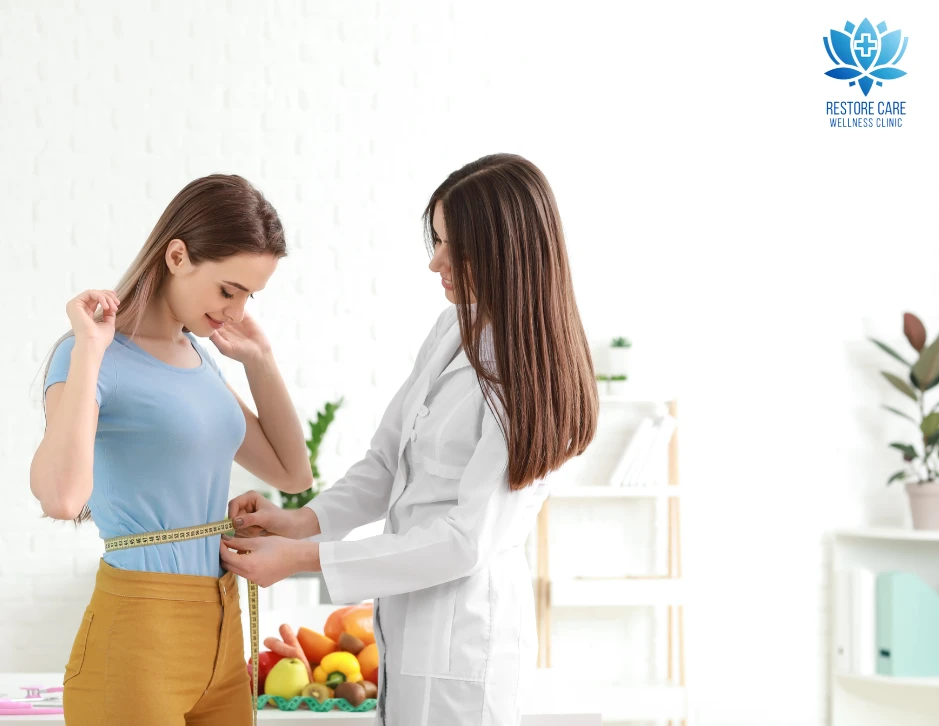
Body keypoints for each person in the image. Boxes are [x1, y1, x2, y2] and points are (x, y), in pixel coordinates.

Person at [221, 153, 599, 725]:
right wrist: (299, 521)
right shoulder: (453, 329)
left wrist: (303, 559)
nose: (434, 261)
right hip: (407, 623)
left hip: (466, 642)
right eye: (438, 240)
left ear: (506, 250)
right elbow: (386, 462)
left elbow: (464, 541)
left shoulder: (530, 375)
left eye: (454, 246)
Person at [30, 174, 312, 726]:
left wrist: (260, 360)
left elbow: (292, 472)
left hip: (222, 626)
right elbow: (61, 498)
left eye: (249, 297)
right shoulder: (90, 355)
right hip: (139, 631)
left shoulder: (199, 357)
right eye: (228, 291)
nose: (236, 311)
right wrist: (89, 350)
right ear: (177, 256)